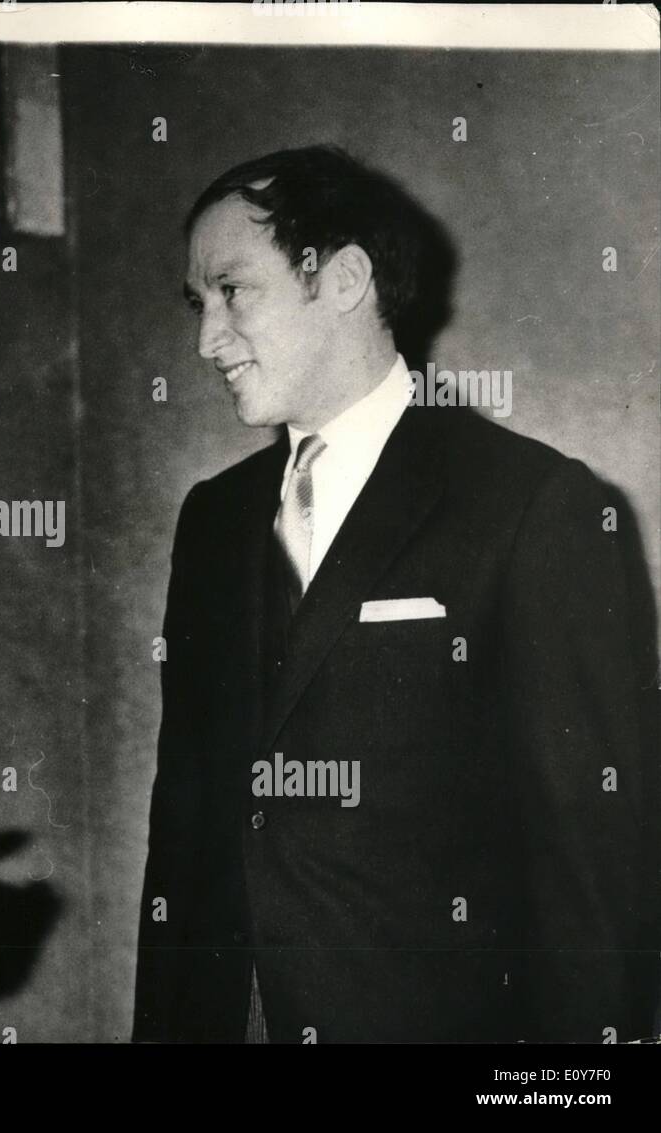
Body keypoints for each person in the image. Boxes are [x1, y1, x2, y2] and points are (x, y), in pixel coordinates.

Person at [133, 146, 658, 1043]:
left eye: (233, 292)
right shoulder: (213, 521)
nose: (205, 338)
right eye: (198, 304)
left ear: (342, 279)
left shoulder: (536, 505)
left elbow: (595, 865)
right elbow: (184, 822)